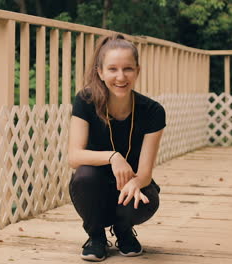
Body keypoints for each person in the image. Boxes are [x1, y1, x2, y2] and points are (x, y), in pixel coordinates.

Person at [68, 34, 166, 262]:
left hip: (130, 184)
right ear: (100, 72)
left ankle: (123, 230)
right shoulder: (85, 101)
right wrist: (113, 157)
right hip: (95, 187)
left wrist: (135, 183)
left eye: (128, 69)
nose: (121, 77)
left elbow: (145, 174)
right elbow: (74, 157)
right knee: (83, 176)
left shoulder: (153, 111)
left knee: (146, 198)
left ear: (137, 71)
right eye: (112, 69)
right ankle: (96, 238)